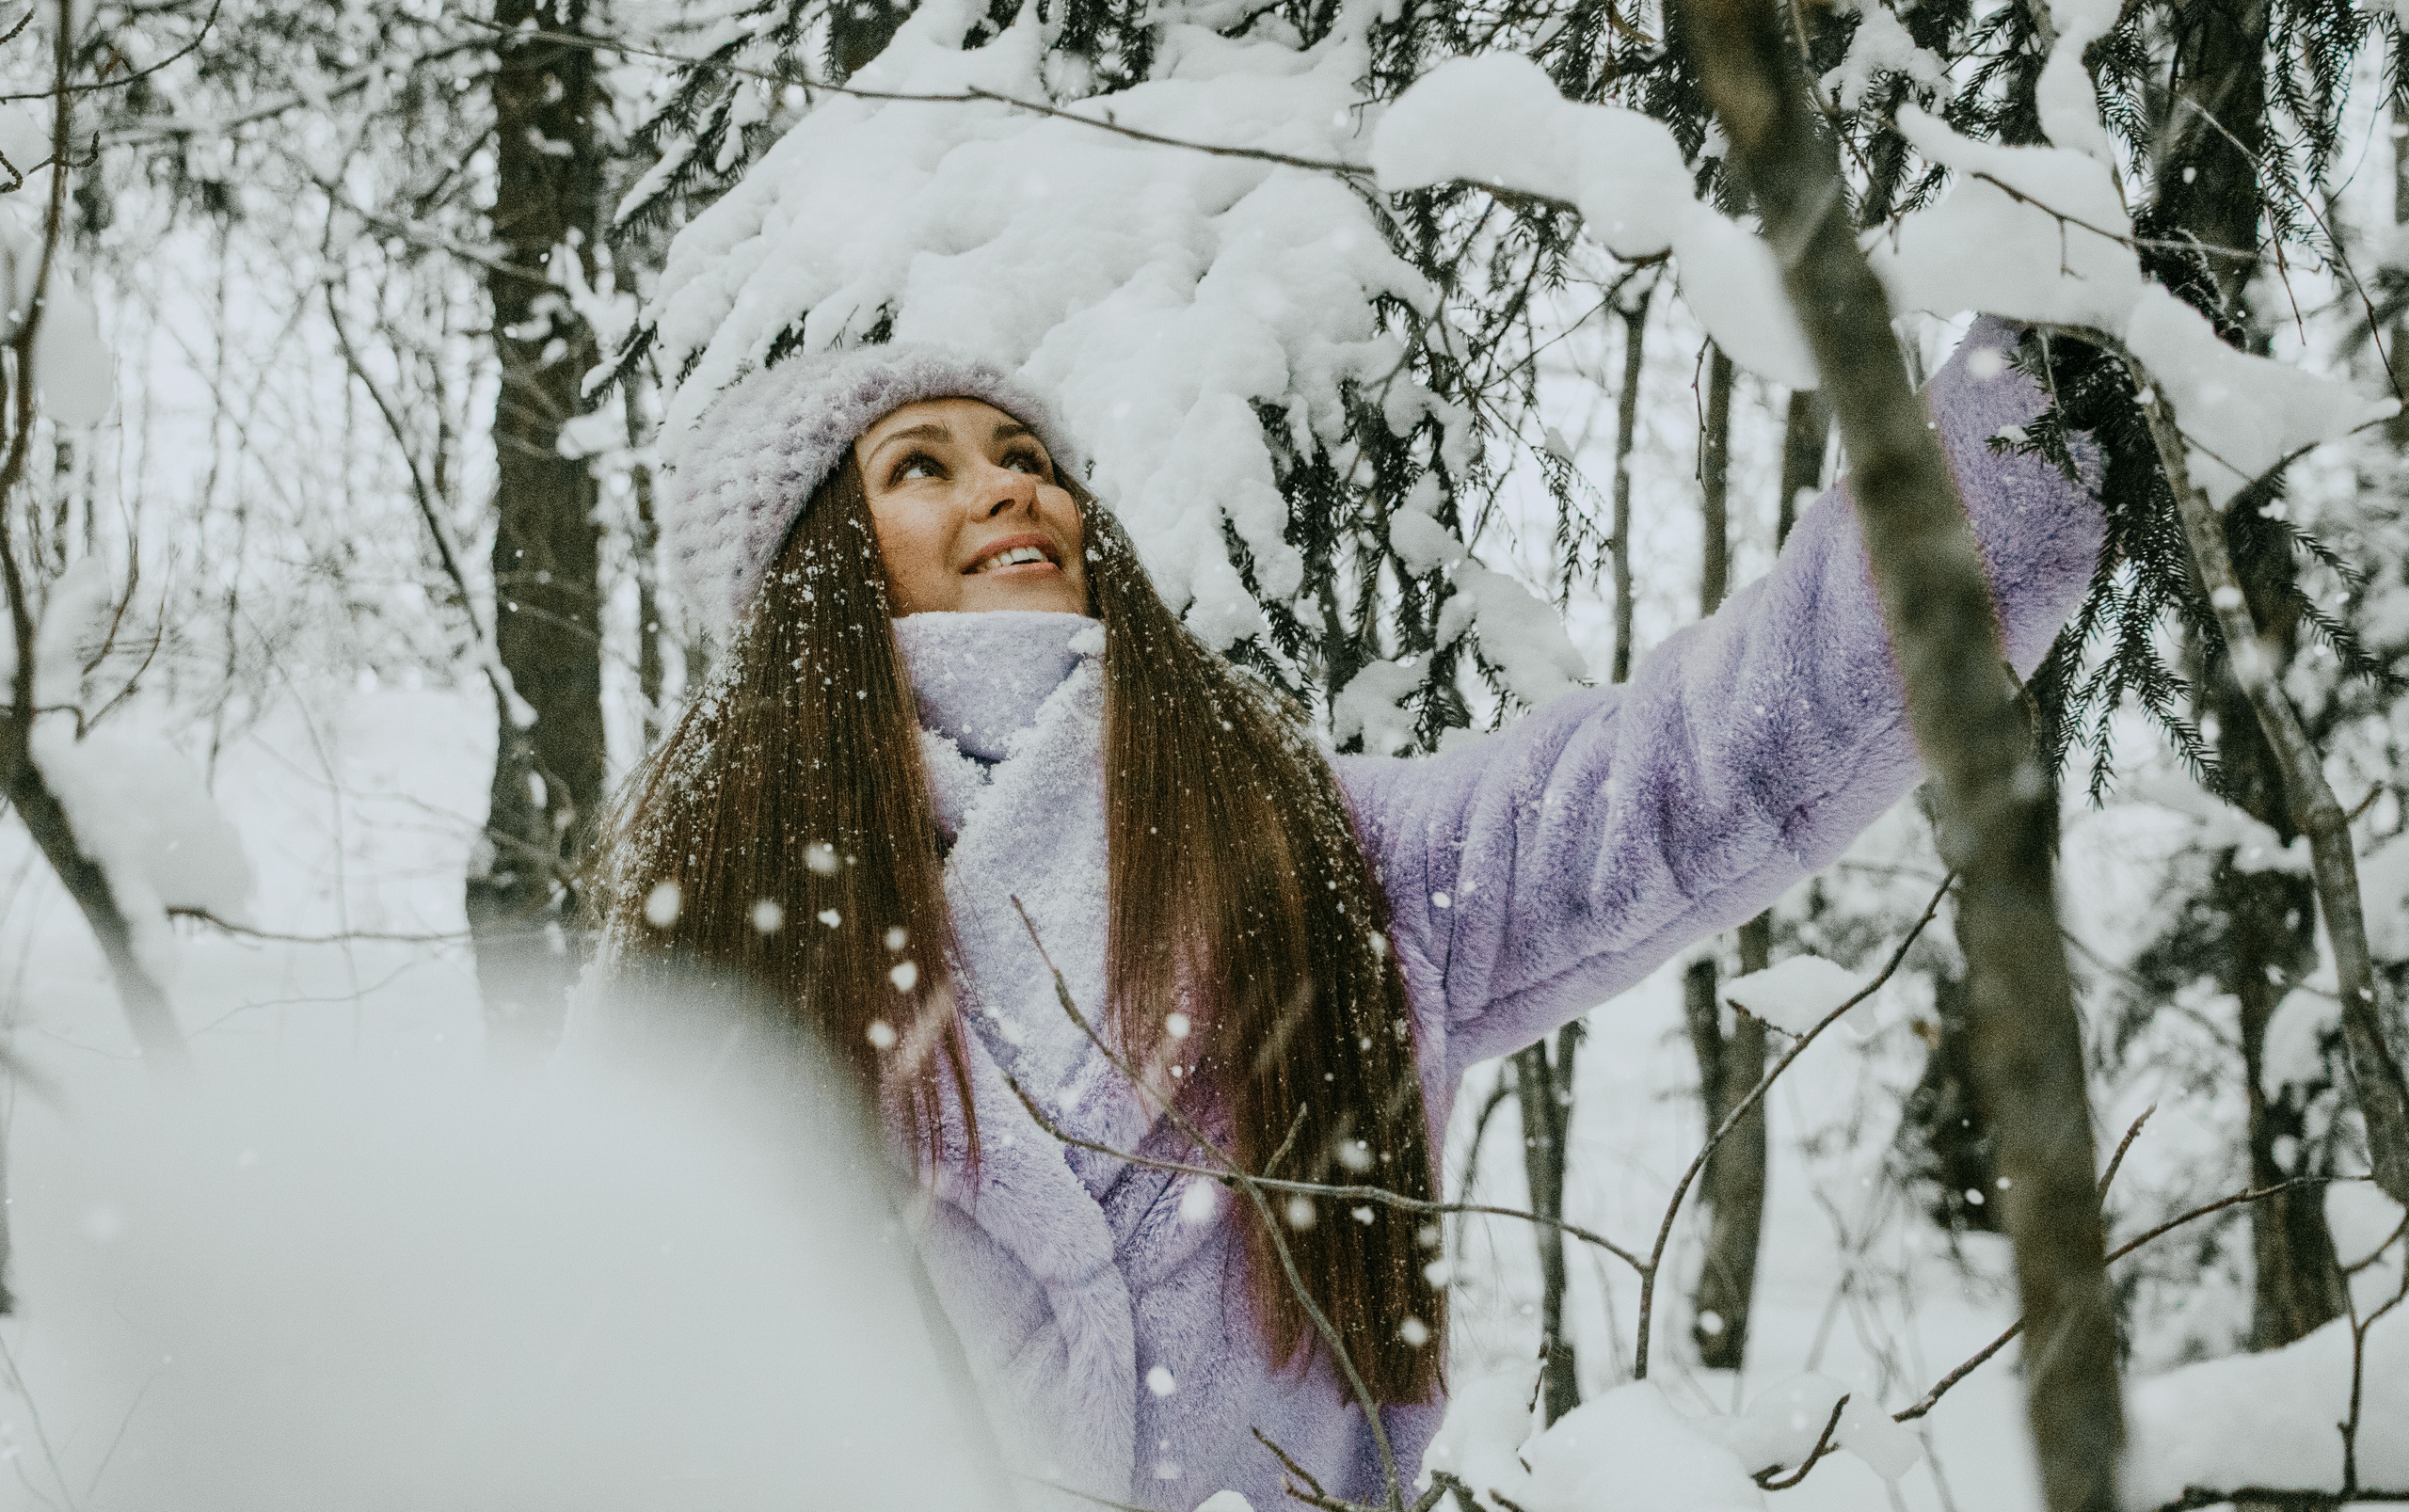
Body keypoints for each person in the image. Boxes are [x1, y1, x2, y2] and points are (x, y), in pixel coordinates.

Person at [585, 321, 2102, 1511]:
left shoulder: (1318, 851)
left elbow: (1701, 768)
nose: (1011, 486)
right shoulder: (715, 952)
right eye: (920, 466)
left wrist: (2032, 409)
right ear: (817, 573)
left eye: (1027, 454)